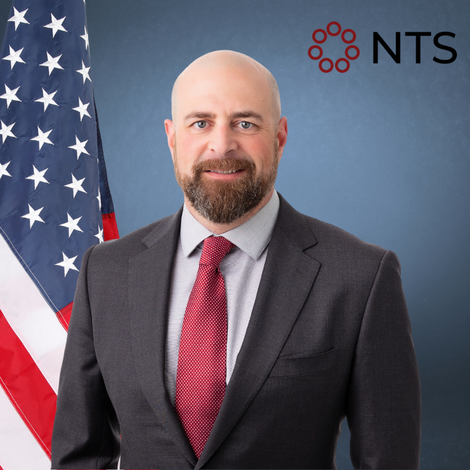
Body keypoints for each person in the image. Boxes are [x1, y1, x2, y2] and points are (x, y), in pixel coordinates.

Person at [51, 50, 421, 469]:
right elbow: (79, 455)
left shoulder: (361, 277)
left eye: (245, 123)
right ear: (172, 137)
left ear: (280, 137)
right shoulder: (105, 271)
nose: (222, 144)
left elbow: (388, 459)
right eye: (201, 123)